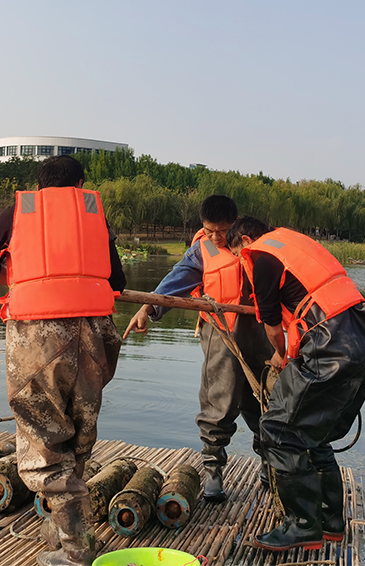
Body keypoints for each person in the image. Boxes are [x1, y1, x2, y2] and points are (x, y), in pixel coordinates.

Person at [0, 156, 126, 566]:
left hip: (39, 336)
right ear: (81, 184)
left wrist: (18, 273)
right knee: (78, 430)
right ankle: (61, 528)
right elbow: (118, 281)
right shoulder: (94, 216)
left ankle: (76, 551)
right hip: (96, 333)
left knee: (43, 438)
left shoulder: (19, 211)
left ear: (38, 186)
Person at [227, 216, 365, 552]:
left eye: (237, 253)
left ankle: (303, 525)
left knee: (278, 431)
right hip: (363, 336)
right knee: (313, 432)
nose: (241, 261)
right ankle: (331, 522)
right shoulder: (294, 245)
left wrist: (280, 357)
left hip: (330, 343)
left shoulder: (262, 256)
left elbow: (271, 327)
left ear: (246, 239)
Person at [123, 195, 273, 502]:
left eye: (221, 230)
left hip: (262, 332)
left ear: (235, 223)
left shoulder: (257, 240)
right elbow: (175, 283)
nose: (216, 237)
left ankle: (270, 463)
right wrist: (148, 309)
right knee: (219, 402)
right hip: (220, 332)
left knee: (266, 398)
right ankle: (214, 471)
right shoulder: (201, 250)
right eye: (209, 230)